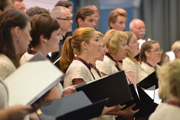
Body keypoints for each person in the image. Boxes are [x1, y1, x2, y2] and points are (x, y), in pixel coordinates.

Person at [96, 30, 139, 119]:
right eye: (124, 45)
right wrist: (122, 112)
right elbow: (105, 97)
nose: (127, 48)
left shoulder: (116, 63)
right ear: (113, 45)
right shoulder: (104, 62)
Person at [0, 8, 35, 120]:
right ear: (17, 31)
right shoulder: (4, 65)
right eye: (29, 32)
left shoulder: (8, 61)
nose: (30, 38)